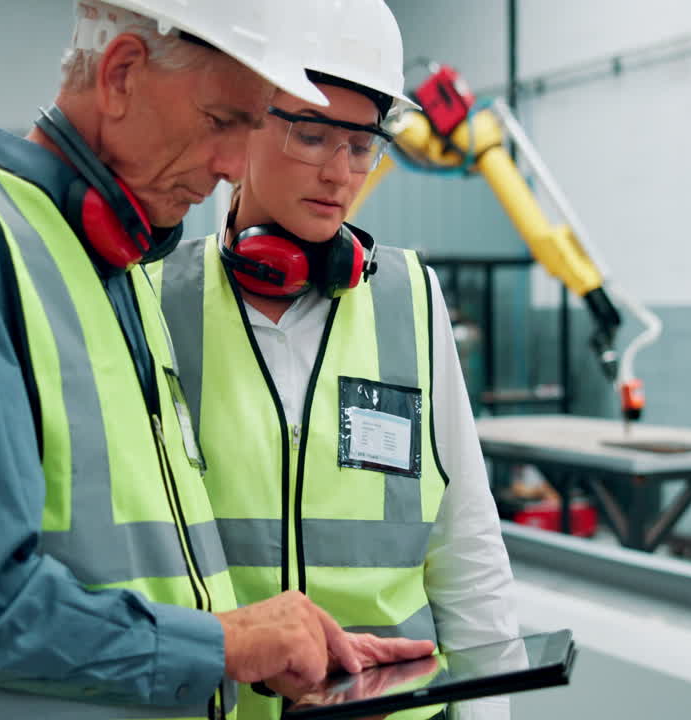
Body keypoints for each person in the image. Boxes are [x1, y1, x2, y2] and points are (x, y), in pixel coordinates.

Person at [0, 2, 430, 718]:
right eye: (222, 121)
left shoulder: (119, 278)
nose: (235, 166)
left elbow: (131, 568)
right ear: (121, 76)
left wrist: (260, 643)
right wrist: (222, 647)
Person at [153, 2, 519, 719]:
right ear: (244, 115)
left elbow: (466, 548)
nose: (339, 173)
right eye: (312, 135)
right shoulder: (154, 301)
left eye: (362, 145)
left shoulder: (410, 300)